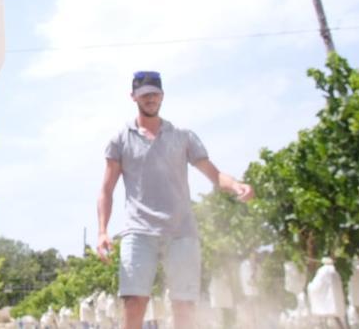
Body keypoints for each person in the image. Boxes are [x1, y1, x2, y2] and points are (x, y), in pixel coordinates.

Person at [95, 70, 253, 329]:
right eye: (145, 95)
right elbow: (106, 189)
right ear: (133, 97)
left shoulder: (183, 137)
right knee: (134, 302)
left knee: (185, 305)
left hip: (182, 231)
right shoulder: (120, 140)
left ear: (162, 96)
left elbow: (214, 174)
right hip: (138, 230)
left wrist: (236, 185)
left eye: (155, 94)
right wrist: (102, 230)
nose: (150, 99)